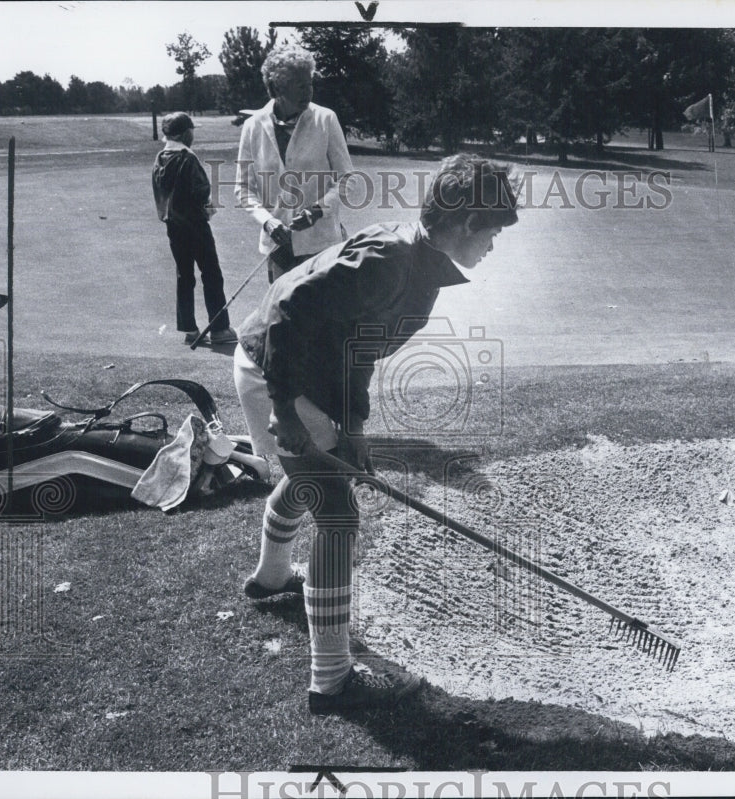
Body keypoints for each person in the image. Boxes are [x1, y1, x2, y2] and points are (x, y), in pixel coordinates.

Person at [233, 153, 520, 714]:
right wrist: (286, 411)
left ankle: (270, 579)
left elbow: (358, 349)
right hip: (274, 369)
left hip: (305, 378)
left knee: (321, 471)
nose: (492, 245)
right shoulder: (390, 258)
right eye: (491, 232)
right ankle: (332, 680)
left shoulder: (423, 267)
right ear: (465, 223)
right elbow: (288, 313)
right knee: (338, 513)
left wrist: (354, 425)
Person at [234, 44, 354, 284]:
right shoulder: (253, 126)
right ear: (279, 86)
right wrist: (267, 221)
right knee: (283, 317)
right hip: (279, 249)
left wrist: (318, 210)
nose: (308, 91)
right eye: (300, 85)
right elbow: (243, 189)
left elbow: (347, 180)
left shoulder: (325, 119)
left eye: (310, 83)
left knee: (323, 316)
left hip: (321, 244)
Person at [152, 112, 237, 346]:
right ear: (184, 133)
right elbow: (201, 190)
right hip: (195, 224)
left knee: (184, 275)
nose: (193, 135)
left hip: (173, 225)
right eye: (191, 130)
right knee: (211, 273)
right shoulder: (188, 158)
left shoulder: (161, 157)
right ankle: (219, 328)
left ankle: (189, 328)